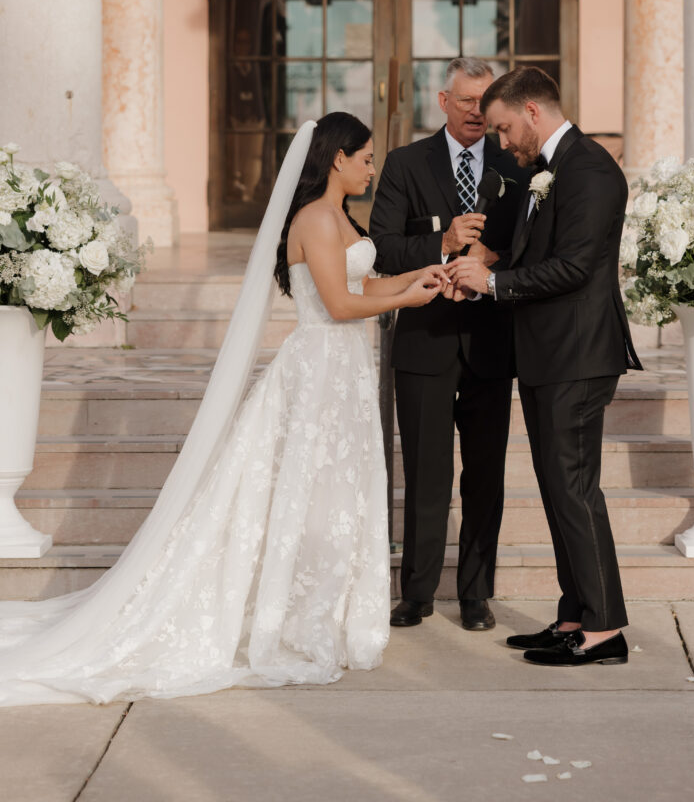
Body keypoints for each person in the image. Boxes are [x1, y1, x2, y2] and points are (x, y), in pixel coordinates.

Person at [0, 113, 446, 706]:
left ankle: (316, 611)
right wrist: (412, 299)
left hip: (342, 373)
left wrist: (424, 277)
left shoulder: (337, 216)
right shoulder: (314, 218)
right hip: (316, 371)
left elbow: (365, 288)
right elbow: (339, 305)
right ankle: (287, 619)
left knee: (333, 495)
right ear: (337, 158)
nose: (372, 166)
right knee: (305, 496)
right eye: (365, 157)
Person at [448, 67, 642, 667]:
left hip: (578, 356)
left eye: (504, 128)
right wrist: (476, 263)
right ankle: (573, 616)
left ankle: (605, 628)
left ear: (533, 110)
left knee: (576, 491)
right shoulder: (542, 172)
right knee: (560, 492)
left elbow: (576, 267)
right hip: (545, 357)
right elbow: (525, 247)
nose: (501, 142)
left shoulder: (589, 169)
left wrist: (493, 282)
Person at [370, 58, 526, 632]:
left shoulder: (516, 162)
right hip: (425, 342)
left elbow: (533, 244)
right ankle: (416, 592)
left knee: (485, 476)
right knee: (426, 473)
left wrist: (492, 259)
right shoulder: (405, 163)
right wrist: (440, 241)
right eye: (466, 101)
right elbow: (383, 247)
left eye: (486, 102)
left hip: (490, 342)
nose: (476, 113)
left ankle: (476, 595)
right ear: (442, 100)